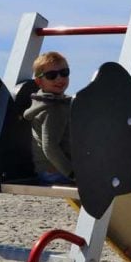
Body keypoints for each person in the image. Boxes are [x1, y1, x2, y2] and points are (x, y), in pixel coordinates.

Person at [24, 51, 75, 185]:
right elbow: (50, 146)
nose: (59, 79)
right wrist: (72, 173)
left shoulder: (42, 101)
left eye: (64, 73)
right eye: (51, 75)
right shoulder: (54, 108)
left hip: (45, 170)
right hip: (57, 172)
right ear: (39, 81)